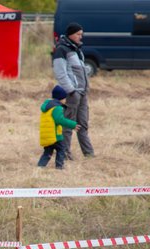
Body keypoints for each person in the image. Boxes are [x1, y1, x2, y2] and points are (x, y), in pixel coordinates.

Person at [53, 22, 95, 159]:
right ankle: (65, 154)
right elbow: (60, 73)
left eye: (81, 34)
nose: (80, 37)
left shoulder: (76, 49)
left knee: (83, 124)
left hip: (82, 93)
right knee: (67, 125)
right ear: (70, 34)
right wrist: (71, 90)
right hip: (73, 93)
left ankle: (89, 154)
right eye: (78, 34)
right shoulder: (61, 49)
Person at [38, 85, 80, 170]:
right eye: (65, 98)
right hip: (55, 135)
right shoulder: (57, 108)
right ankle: (59, 167)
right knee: (61, 149)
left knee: (47, 152)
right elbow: (60, 120)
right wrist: (73, 125)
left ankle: (40, 166)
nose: (65, 100)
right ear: (61, 98)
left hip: (48, 135)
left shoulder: (48, 106)